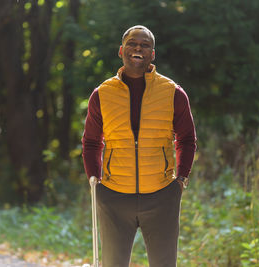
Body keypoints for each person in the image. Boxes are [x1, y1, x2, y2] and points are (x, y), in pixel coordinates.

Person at [82, 25, 196, 267]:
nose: (138, 48)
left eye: (145, 44)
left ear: (152, 54)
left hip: (162, 195)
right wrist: (94, 180)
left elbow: (186, 139)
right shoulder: (101, 94)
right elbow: (92, 142)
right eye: (133, 43)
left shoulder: (173, 93)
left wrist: (181, 180)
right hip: (113, 197)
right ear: (121, 50)